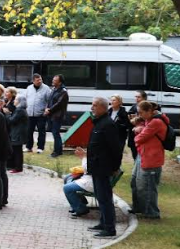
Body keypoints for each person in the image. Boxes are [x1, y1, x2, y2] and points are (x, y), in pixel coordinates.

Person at [86, 97, 124, 238]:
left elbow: (116, 149)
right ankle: (103, 223)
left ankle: (109, 228)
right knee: (100, 197)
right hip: (96, 167)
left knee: (105, 198)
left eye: (95, 105)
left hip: (103, 167)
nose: (92, 108)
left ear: (103, 107)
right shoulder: (99, 122)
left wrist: (114, 167)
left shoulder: (108, 124)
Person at [131, 100, 169, 220]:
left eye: (141, 112)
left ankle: (151, 213)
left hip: (151, 158)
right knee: (135, 182)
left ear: (149, 111)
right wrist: (140, 128)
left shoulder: (156, 122)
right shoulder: (149, 120)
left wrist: (138, 130)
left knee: (147, 187)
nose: (139, 115)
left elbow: (139, 139)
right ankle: (138, 207)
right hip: (142, 155)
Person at [62, 150, 95, 216]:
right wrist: (85, 155)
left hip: (91, 182)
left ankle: (81, 209)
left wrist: (84, 157)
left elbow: (87, 168)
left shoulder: (101, 155)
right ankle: (79, 203)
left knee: (67, 188)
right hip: (89, 178)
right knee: (68, 178)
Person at [25, 73, 51, 153]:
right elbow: (26, 99)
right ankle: (29, 147)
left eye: (40, 79)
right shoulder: (29, 88)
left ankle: (40, 148)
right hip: (30, 113)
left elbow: (50, 100)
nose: (39, 81)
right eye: (37, 80)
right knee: (29, 131)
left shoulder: (46, 88)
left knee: (41, 131)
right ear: (33, 81)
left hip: (41, 114)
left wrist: (47, 109)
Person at [46, 74, 70, 157]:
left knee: (56, 133)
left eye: (55, 80)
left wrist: (49, 110)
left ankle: (57, 152)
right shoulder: (54, 89)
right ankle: (58, 151)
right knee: (54, 133)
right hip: (52, 115)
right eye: (53, 80)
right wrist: (47, 108)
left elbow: (59, 104)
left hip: (57, 116)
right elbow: (49, 100)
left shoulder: (63, 91)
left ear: (60, 82)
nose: (53, 81)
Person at [5, 91, 28, 173]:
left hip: (18, 133)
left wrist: (7, 114)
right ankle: (16, 166)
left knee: (17, 151)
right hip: (18, 133)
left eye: (16, 100)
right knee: (16, 150)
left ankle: (18, 167)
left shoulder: (19, 110)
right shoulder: (19, 110)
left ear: (19, 101)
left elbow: (11, 121)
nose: (14, 101)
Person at [126, 91, 147, 159]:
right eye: (136, 97)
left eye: (139, 97)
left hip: (143, 134)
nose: (137, 99)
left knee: (142, 156)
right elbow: (128, 118)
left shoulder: (148, 107)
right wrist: (130, 118)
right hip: (133, 135)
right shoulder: (134, 106)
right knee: (134, 155)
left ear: (144, 98)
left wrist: (137, 119)